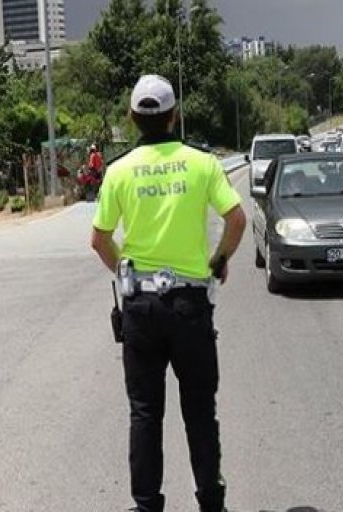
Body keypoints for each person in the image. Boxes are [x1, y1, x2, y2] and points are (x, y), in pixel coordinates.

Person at [90, 74, 246, 512]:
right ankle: (211, 502)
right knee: (199, 410)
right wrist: (218, 261)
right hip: (190, 306)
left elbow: (99, 239)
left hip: (141, 307)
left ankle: (146, 506)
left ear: (132, 118)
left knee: (144, 412)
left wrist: (125, 270)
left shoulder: (118, 171)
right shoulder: (201, 163)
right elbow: (236, 221)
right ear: (174, 115)